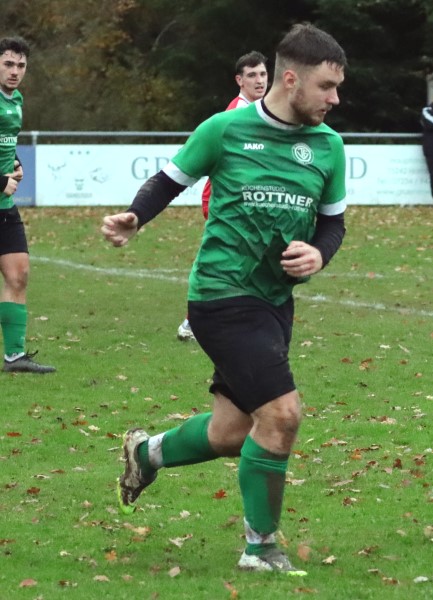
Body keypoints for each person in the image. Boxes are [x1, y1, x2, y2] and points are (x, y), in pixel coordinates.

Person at [101, 23, 348, 575]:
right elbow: (170, 179)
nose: (335, 99)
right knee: (282, 416)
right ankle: (260, 548)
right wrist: (135, 217)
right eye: (327, 86)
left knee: (234, 432)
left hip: (275, 303)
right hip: (221, 295)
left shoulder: (329, 146)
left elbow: (334, 225)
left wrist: (318, 255)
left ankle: (148, 453)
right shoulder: (226, 129)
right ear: (291, 79)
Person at [179, 51, 270, 342]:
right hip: (221, 196)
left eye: (263, 74)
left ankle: (226, 314)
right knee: (227, 255)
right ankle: (196, 320)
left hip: (242, 197)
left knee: (243, 254)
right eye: (252, 75)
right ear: (239, 80)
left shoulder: (260, 111)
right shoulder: (236, 113)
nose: (259, 80)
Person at [0, 37, 55, 374]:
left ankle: (15, 356)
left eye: (20, 65)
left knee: (18, 275)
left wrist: (16, 163)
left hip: (5, 206)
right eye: (8, 63)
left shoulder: (16, 100)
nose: (15, 71)